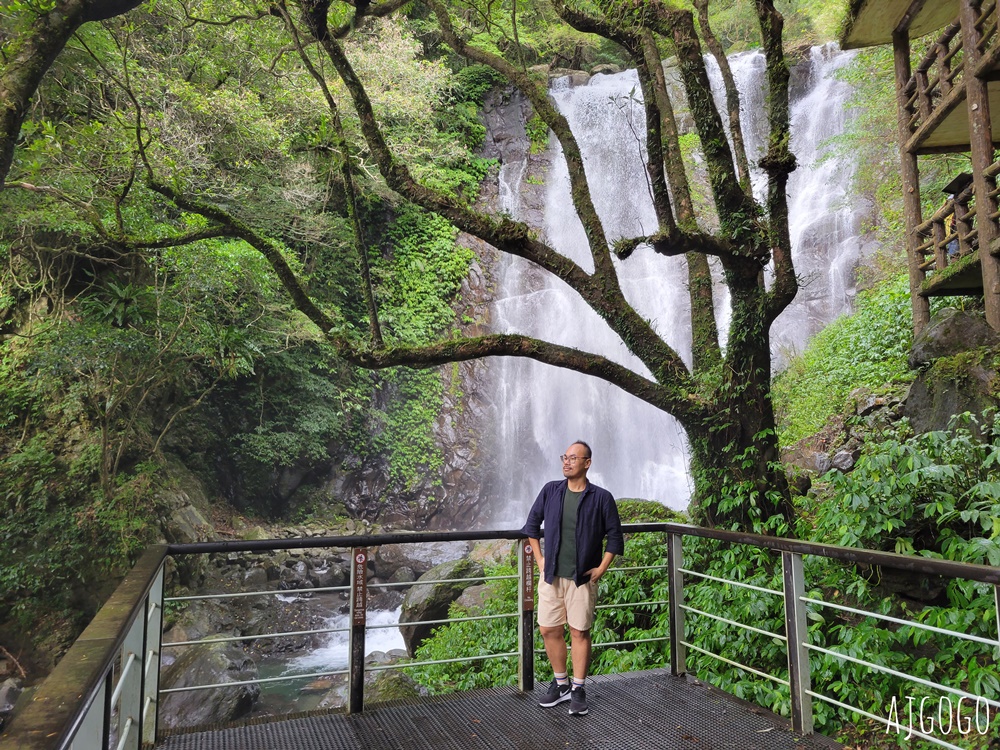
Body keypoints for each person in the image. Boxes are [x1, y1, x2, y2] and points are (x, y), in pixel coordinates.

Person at [522, 440, 624, 716]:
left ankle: (578, 689)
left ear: (587, 463)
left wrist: (602, 568)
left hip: (582, 577)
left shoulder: (601, 497)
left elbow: (615, 537)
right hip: (552, 575)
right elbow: (532, 526)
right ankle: (561, 684)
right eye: (564, 457)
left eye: (573, 458)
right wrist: (541, 561)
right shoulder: (550, 491)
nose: (566, 462)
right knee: (548, 629)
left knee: (579, 631)